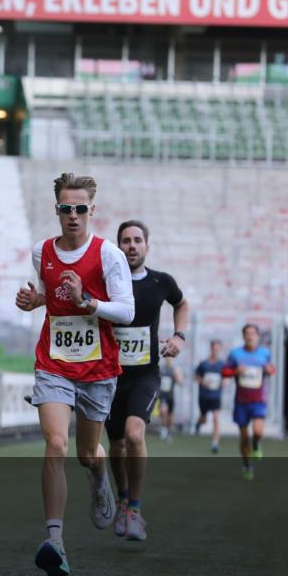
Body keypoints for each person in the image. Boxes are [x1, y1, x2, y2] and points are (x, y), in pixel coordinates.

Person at [15, 172, 134, 576]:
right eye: (66, 208)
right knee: (54, 443)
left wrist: (90, 303)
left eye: (80, 208)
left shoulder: (108, 255)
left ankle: (100, 476)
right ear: (57, 210)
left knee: (86, 453)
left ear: (91, 210)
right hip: (53, 364)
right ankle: (55, 540)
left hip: (98, 369)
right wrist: (36, 301)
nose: (73, 215)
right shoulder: (41, 251)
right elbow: (53, 297)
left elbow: (127, 310)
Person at [105, 220, 188, 542]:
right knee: (116, 444)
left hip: (145, 374)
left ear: (147, 246)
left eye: (138, 240)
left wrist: (179, 336)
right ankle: (123, 498)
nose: (132, 245)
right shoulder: (107, 283)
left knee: (134, 434)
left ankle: (135, 509)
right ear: (118, 247)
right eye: (125, 240)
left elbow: (181, 304)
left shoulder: (161, 281)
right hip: (109, 378)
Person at [223, 323, 276, 480]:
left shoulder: (264, 353)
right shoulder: (235, 354)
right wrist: (235, 371)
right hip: (241, 401)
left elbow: (272, 369)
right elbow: (224, 372)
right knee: (244, 436)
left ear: (257, 336)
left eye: (253, 333)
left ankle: (257, 444)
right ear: (243, 336)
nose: (250, 336)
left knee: (258, 431)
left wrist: (268, 370)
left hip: (259, 400)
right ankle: (247, 465)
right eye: (247, 333)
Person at [195, 339, 227, 453]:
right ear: (211, 348)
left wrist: (224, 382)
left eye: (218, 348)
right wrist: (203, 381)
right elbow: (196, 377)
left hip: (216, 396)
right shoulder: (204, 364)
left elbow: (226, 378)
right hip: (204, 396)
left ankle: (215, 443)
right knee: (204, 419)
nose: (216, 350)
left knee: (216, 418)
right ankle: (199, 422)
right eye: (214, 348)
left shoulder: (222, 365)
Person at [157, 356, 183, 442]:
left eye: (170, 358)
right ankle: (163, 429)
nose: (169, 359)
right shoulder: (161, 369)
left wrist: (177, 377)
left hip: (170, 396)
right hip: (162, 395)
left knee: (170, 417)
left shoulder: (175, 370)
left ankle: (168, 432)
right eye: (167, 358)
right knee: (163, 410)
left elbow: (181, 382)